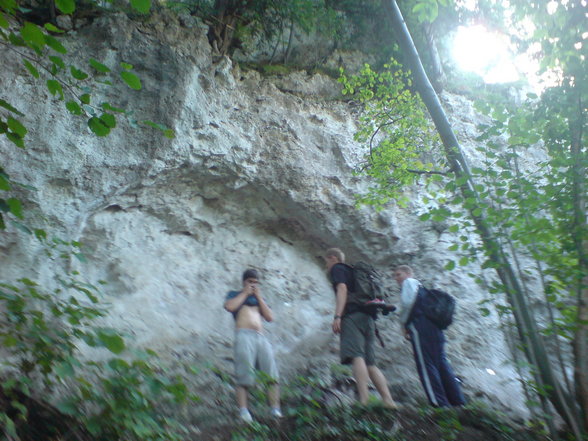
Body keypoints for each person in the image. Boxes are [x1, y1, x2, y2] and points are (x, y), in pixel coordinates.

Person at [324, 248, 398, 408]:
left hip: (352, 316)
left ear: (332, 258)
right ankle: (388, 401)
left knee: (357, 356)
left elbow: (342, 289)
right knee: (371, 364)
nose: (327, 265)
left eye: (327, 261)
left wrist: (337, 316)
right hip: (369, 317)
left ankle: (363, 400)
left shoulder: (338, 269)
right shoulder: (355, 273)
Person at [394, 264, 465, 407]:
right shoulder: (423, 291)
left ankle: (438, 403)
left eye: (398, 274)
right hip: (434, 328)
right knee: (441, 363)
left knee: (426, 364)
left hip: (420, 326)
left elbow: (408, 303)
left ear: (408, 273)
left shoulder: (409, 282)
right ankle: (458, 402)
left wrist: (403, 325)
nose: (396, 279)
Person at [224, 269, 282, 422]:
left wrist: (258, 296)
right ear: (244, 282)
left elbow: (269, 317)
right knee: (243, 374)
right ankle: (244, 412)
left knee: (272, 374)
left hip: (260, 337)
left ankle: (275, 410)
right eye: (251, 282)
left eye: (256, 283)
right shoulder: (234, 294)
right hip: (243, 335)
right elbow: (230, 307)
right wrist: (245, 292)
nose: (253, 285)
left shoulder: (258, 299)